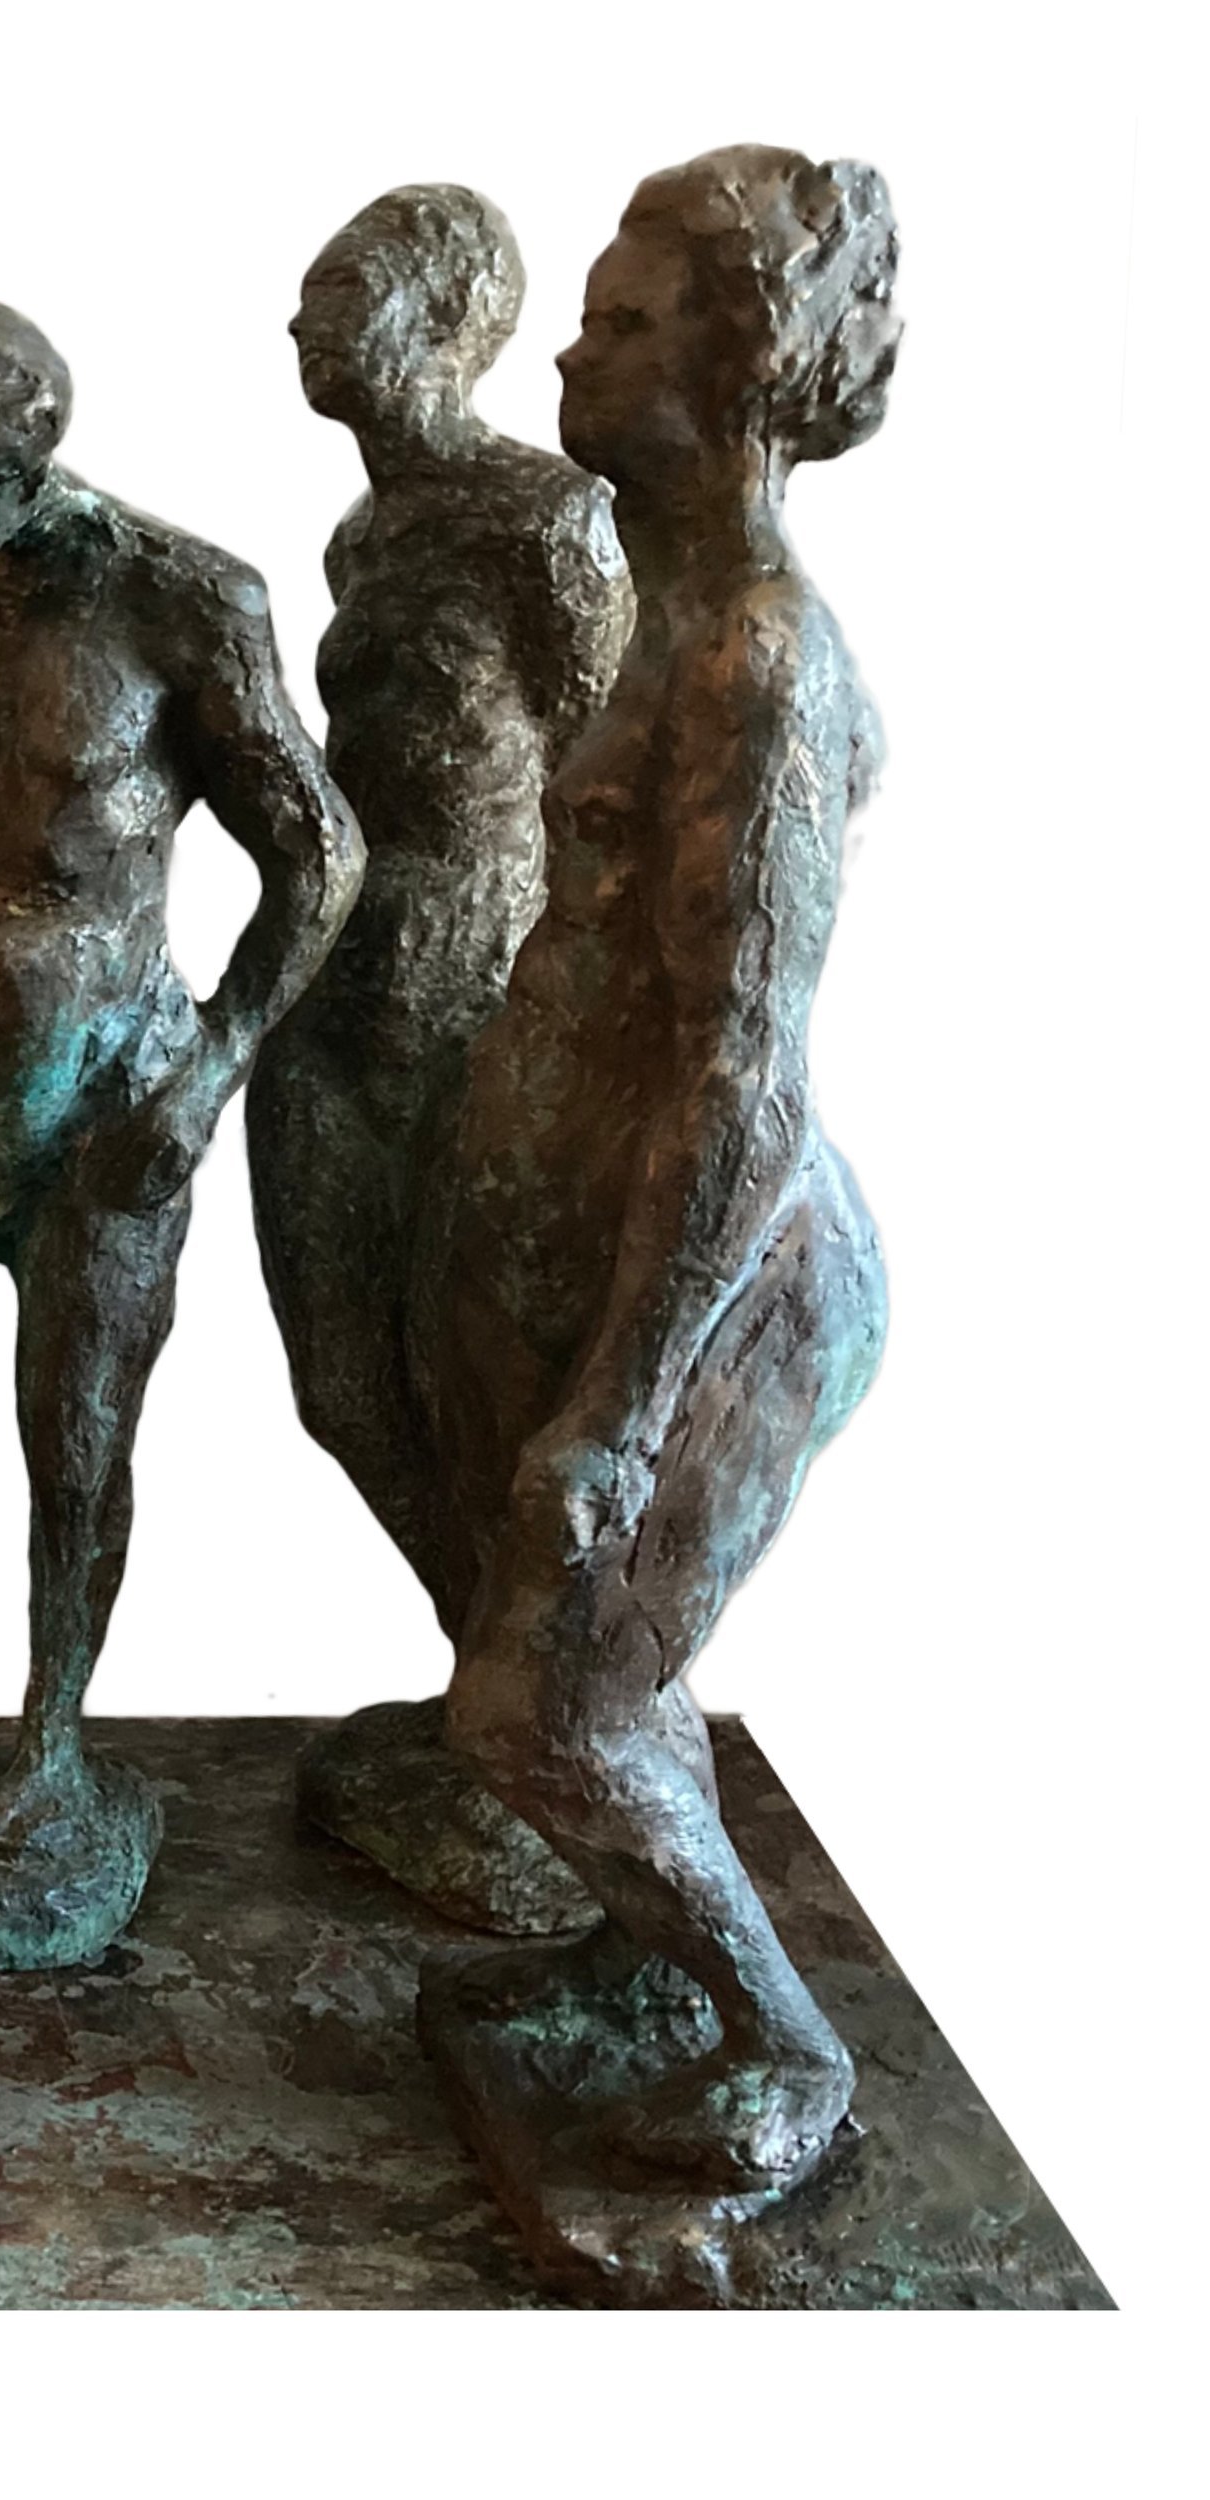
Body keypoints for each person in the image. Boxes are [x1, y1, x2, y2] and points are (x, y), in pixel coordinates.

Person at [425, 147, 899, 2190]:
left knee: (541, 1707)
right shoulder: (669, 616)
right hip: (608, 1250)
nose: (567, 355)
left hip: (722, 1292)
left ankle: (783, 2052)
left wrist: (619, 1409)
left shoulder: (757, 659)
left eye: (618, 329)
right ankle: (642, 1964)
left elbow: (738, 1074)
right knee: (590, 1672)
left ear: (737, 374)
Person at [0, 302, 362, 1852]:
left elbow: (319, 852)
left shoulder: (189, 600)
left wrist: (212, 1069)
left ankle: (53, 1742)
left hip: (116, 1103)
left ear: (18, 453)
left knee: (76, 1447)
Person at [249, 184, 628, 1624]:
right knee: (343, 1384)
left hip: (481, 991)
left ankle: (535, 1689)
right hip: (341, 984)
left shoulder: (551, 522)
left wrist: (589, 1023)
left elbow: (610, 785)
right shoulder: (364, 535)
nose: (304, 322)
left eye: (342, 292)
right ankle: (494, 1668)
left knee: (481, 1376)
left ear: (446, 319)